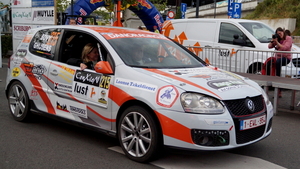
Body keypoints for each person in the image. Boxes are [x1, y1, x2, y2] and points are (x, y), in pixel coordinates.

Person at [268, 27, 293, 97]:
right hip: (278, 58)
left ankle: (277, 77)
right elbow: (269, 46)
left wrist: (277, 42)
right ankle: (268, 81)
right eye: (278, 34)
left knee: (278, 62)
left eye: (280, 33)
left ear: (283, 32)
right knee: (268, 63)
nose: (279, 35)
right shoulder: (277, 39)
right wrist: (273, 40)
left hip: (286, 58)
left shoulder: (288, 38)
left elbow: (285, 48)